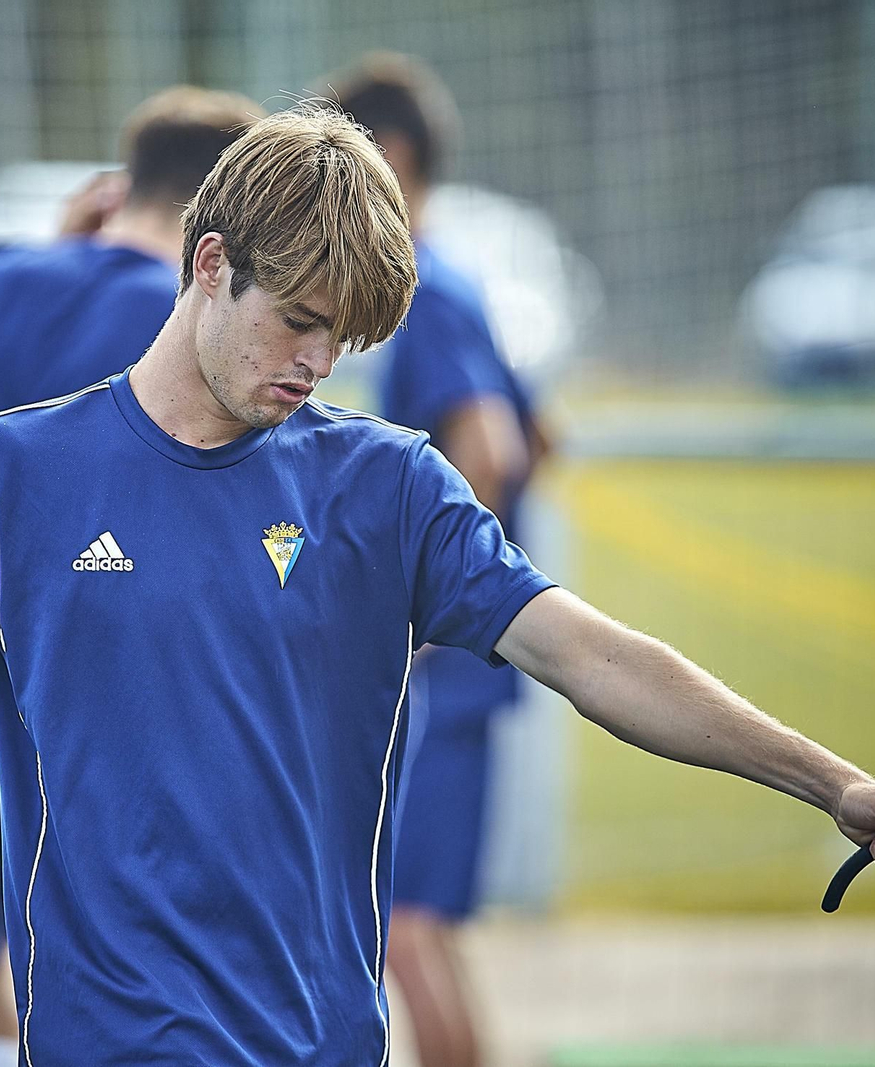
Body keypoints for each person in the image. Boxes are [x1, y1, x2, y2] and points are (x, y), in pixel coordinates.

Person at [0, 106, 875, 1066]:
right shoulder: (14, 472)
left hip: (318, 1044)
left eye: (347, 335)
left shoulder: (390, 489)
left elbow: (596, 653)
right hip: (104, 1045)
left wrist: (833, 780)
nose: (320, 359)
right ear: (208, 264)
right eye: (299, 319)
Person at [0, 85, 257, 1067]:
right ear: (233, 224)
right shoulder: (201, 327)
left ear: (123, 185)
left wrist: (40, 252)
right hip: (110, 738)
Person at [334, 52, 547, 1067]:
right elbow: (539, 435)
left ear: (393, 155)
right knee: (419, 932)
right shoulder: (448, 277)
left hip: (450, 669)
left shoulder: (431, 285)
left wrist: (425, 608)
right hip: (464, 666)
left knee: (407, 929)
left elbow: (495, 455)